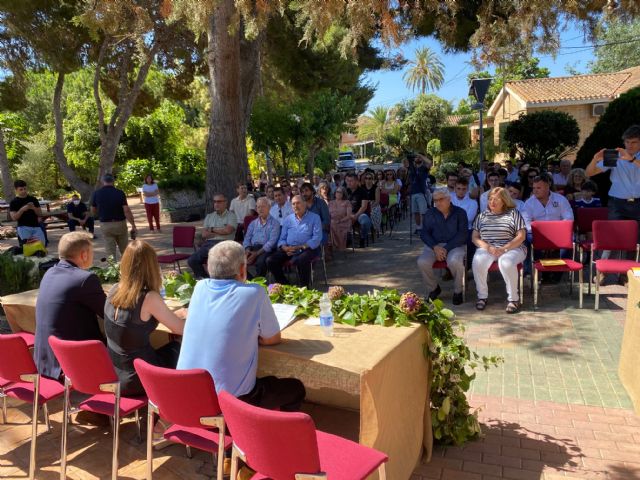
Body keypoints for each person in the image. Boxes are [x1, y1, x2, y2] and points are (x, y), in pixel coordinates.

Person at [177, 241, 305, 410]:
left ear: (208, 267)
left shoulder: (200, 287)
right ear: (243, 270)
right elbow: (272, 339)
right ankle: (268, 432)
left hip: (185, 396)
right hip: (231, 402)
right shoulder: (254, 292)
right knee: (296, 388)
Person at [104, 240, 185, 396]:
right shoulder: (149, 298)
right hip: (139, 378)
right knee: (181, 347)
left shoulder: (114, 289)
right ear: (152, 266)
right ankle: (177, 405)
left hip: (114, 374)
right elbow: (181, 329)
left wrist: (171, 315)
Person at [34, 232, 106, 379]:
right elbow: (109, 313)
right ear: (84, 254)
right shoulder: (85, 279)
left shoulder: (49, 272)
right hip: (71, 360)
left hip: (45, 358)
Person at [472, 187, 527, 314]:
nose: (492, 202)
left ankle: (513, 299)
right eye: (490, 199)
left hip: (513, 248)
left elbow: (521, 236)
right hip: (488, 248)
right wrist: (487, 247)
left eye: (496, 199)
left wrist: (504, 248)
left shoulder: (514, 213)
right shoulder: (482, 216)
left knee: (506, 262)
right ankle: (482, 296)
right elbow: (474, 237)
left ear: (504, 201)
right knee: (478, 261)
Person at [417, 188, 468, 305]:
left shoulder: (460, 213)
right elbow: (424, 233)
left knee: (455, 261)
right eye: (435, 200)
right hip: (434, 245)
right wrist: (435, 247)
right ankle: (434, 288)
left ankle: (458, 291)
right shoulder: (430, 213)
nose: (438, 203)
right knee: (422, 262)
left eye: (441, 199)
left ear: (449, 199)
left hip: (455, 245)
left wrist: (446, 248)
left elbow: (463, 234)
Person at [586, 124, 640, 223]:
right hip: (617, 204)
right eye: (627, 142)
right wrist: (595, 159)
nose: (629, 145)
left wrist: (632, 159)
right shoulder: (615, 155)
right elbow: (589, 173)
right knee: (617, 236)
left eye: (634, 142)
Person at [266, 195, 322, 288]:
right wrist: (284, 247)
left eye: (298, 203)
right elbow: (282, 239)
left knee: (302, 259)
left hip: (307, 248)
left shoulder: (315, 218)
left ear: (305, 204)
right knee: (270, 260)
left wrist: (300, 247)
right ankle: (285, 285)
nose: (296, 206)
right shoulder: (288, 219)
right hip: (289, 249)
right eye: (293, 204)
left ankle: (305, 287)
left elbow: (317, 238)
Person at [187, 194, 237, 279]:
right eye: (214, 202)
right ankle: (204, 280)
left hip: (225, 244)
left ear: (225, 203)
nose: (216, 204)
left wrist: (212, 229)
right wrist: (221, 231)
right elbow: (204, 234)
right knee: (192, 260)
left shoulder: (231, 216)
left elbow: (228, 231)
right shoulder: (209, 216)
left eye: (219, 202)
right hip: (209, 244)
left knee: (217, 263)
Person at [91, 173, 137, 260]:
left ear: (102, 181)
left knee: (110, 252)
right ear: (113, 181)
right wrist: (133, 224)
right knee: (125, 250)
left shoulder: (96, 194)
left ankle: (113, 272)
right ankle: (128, 269)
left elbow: (93, 210)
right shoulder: (120, 193)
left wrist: (100, 214)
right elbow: (126, 210)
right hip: (120, 223)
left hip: (105, 224)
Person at [243, 197, 280, 278]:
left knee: (261, 262)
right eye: (258, 207)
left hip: (266, 249)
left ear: (269, 208)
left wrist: (256, 254)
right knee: (237, 261)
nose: (260, 209)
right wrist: (247, 251)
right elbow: (247, 238)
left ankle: (258, 285)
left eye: (263, 206)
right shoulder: (253, 223)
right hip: (252, 248)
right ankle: (252, 281)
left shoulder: (275, 223)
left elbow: (271, 243)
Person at [9, 179, 46, 245]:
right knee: (28, 249)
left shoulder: (33, 199)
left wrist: (34, 208)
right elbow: (14, 218)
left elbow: (40, 214)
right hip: (23, 228)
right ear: (16, 190)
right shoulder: (13, 202)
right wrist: (22, 210)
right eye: (21, 189)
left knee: (42, 246)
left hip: (36, 227)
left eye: (25, 189)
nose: (24, 191)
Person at [345, 173, 372, 248]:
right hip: (348, 213)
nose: (349, 182)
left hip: (360, 213)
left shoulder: (362, 191)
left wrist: (355, 216)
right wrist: (349, 215)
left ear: (357, 181)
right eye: (348, 181)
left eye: (351, 181)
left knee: (365, 222)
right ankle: (347, 239)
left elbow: (364, 207)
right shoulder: (345, 191)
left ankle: (362, 237)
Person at [408, 154, 431, 233]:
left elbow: (429, 162)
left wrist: (420, 155)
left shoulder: (424, 168)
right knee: (415, 212)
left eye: (419, 158)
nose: (417, 158)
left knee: (423, 212)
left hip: (421, 192)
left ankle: (425, 228)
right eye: (416, 157)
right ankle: (418, 227)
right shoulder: (412, 168)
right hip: (412, 193)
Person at [328, 186, 352, 252]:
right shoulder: (330, 203)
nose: (338, 193)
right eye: (337, 192)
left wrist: (340, 221)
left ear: (343, 194)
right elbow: (328, 215)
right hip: (332, 222)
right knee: (331, 225)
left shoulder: (347, 202)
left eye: (340, 192)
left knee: (334, 225)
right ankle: (336, 246)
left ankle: (338, 246)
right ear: (335, 193)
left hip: (344, 222)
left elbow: (349, 216)